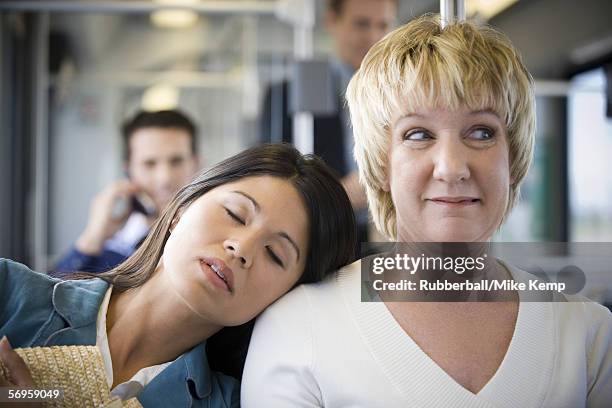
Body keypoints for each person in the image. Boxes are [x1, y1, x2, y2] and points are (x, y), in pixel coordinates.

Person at [242, 15, 612, 407]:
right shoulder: (300, 329)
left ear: (514, 159)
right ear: (381, 166)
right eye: (418, 135)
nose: (452, 167)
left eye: (482, 132)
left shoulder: (589, 336)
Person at [0, 144, 357, 407]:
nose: (241, 247)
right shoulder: (9, 292)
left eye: (275, 254)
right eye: (235, 213)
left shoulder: (235, 403)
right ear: (181, 208)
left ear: (285, 296)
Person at [260, 0, 397, 246]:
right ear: (332, 21)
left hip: (391, 237)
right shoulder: (290, 95)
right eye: (362, 24)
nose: (374, 36)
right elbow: (272, 185)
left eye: (383, 25)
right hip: (321, 240)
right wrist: (337, 196)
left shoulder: (404, 94)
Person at [53, 109, 200, 275]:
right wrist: (91, 239)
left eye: (177, 161)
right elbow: (46, 298)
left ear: (195, 164)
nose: (164, 178)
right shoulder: (111, 248)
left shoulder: (212, 236)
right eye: (149, 164)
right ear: (128, 170)